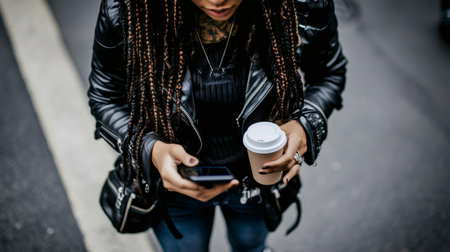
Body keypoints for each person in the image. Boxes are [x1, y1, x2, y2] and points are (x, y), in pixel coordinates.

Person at [88, 0, 347, 251]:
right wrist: (151, 150)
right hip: (176, 185)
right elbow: (104, 96)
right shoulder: (128, 7)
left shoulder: (299, 2)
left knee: (252, 245)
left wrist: (303, 126)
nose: (217, 0)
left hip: (259, 176)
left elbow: (329, 72)